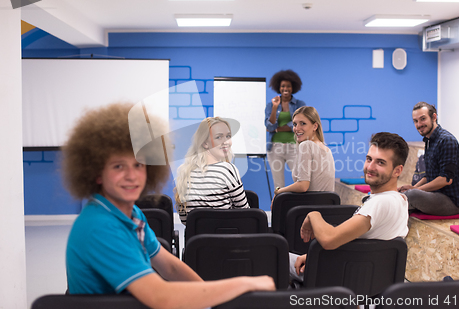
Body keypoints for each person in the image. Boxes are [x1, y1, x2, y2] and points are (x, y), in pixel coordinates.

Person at [63, 103, 274, 309]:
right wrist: (245, 283)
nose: (131, 175)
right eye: (119, 166)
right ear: (96, 173)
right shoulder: (100, 227)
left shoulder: (131, 213)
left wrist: (210, 301)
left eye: (139, 164)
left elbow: (171, 267)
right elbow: (160, 297)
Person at [291, 132, 409, 280]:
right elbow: (359, 246)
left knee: (273, 257)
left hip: (340, 277)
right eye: (369, 159)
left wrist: (313, 215)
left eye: (380, 162)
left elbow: (329, 239)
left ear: (397, 171)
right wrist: (312, 256)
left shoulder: (379, 203)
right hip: (365, 276)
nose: (370, 167)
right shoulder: (400, 200)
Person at [174, 117, 249, 225]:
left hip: (196, 241)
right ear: (205, 143)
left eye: (228, 136)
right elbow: (245, 213)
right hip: (228, 239)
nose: (226, 142)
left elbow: (186, 221)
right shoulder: (228, 170)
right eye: (219, 137)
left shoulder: (184, 172)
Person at [398, 102, 459, 215]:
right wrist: (413, 187)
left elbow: (446, 179)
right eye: (415, 121)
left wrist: (415, 190)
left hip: (451, 202)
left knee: (412, 195)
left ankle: (381, 206)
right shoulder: (429, 141)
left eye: (423, 119)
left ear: (434, 117)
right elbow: (430, 176)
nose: (419, 124)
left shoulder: (446, 140)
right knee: (402, 192)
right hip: (434, 195)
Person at [274, 106, 335, 199]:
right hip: (325, 209)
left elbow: (303, 185)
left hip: (308, 208)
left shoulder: (306, 145)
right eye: (294, 124)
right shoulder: (327, 150)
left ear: (315, 126)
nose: (297, 128)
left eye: (303, 123)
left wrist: (278, 191)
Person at [265, 69, 306, 191]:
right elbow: (269, 126)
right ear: (279, 87)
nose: (285, 88)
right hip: (275, 148)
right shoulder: (271, 105)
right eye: (283, 86)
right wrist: (275, 107)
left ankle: (299, 208)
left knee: (299, 179)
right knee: (278, 184)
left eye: (288, 86)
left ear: (293, 87)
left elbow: (300, 124)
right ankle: (279, 208)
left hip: (294, 146)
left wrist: (277, 129)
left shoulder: (299, 104)